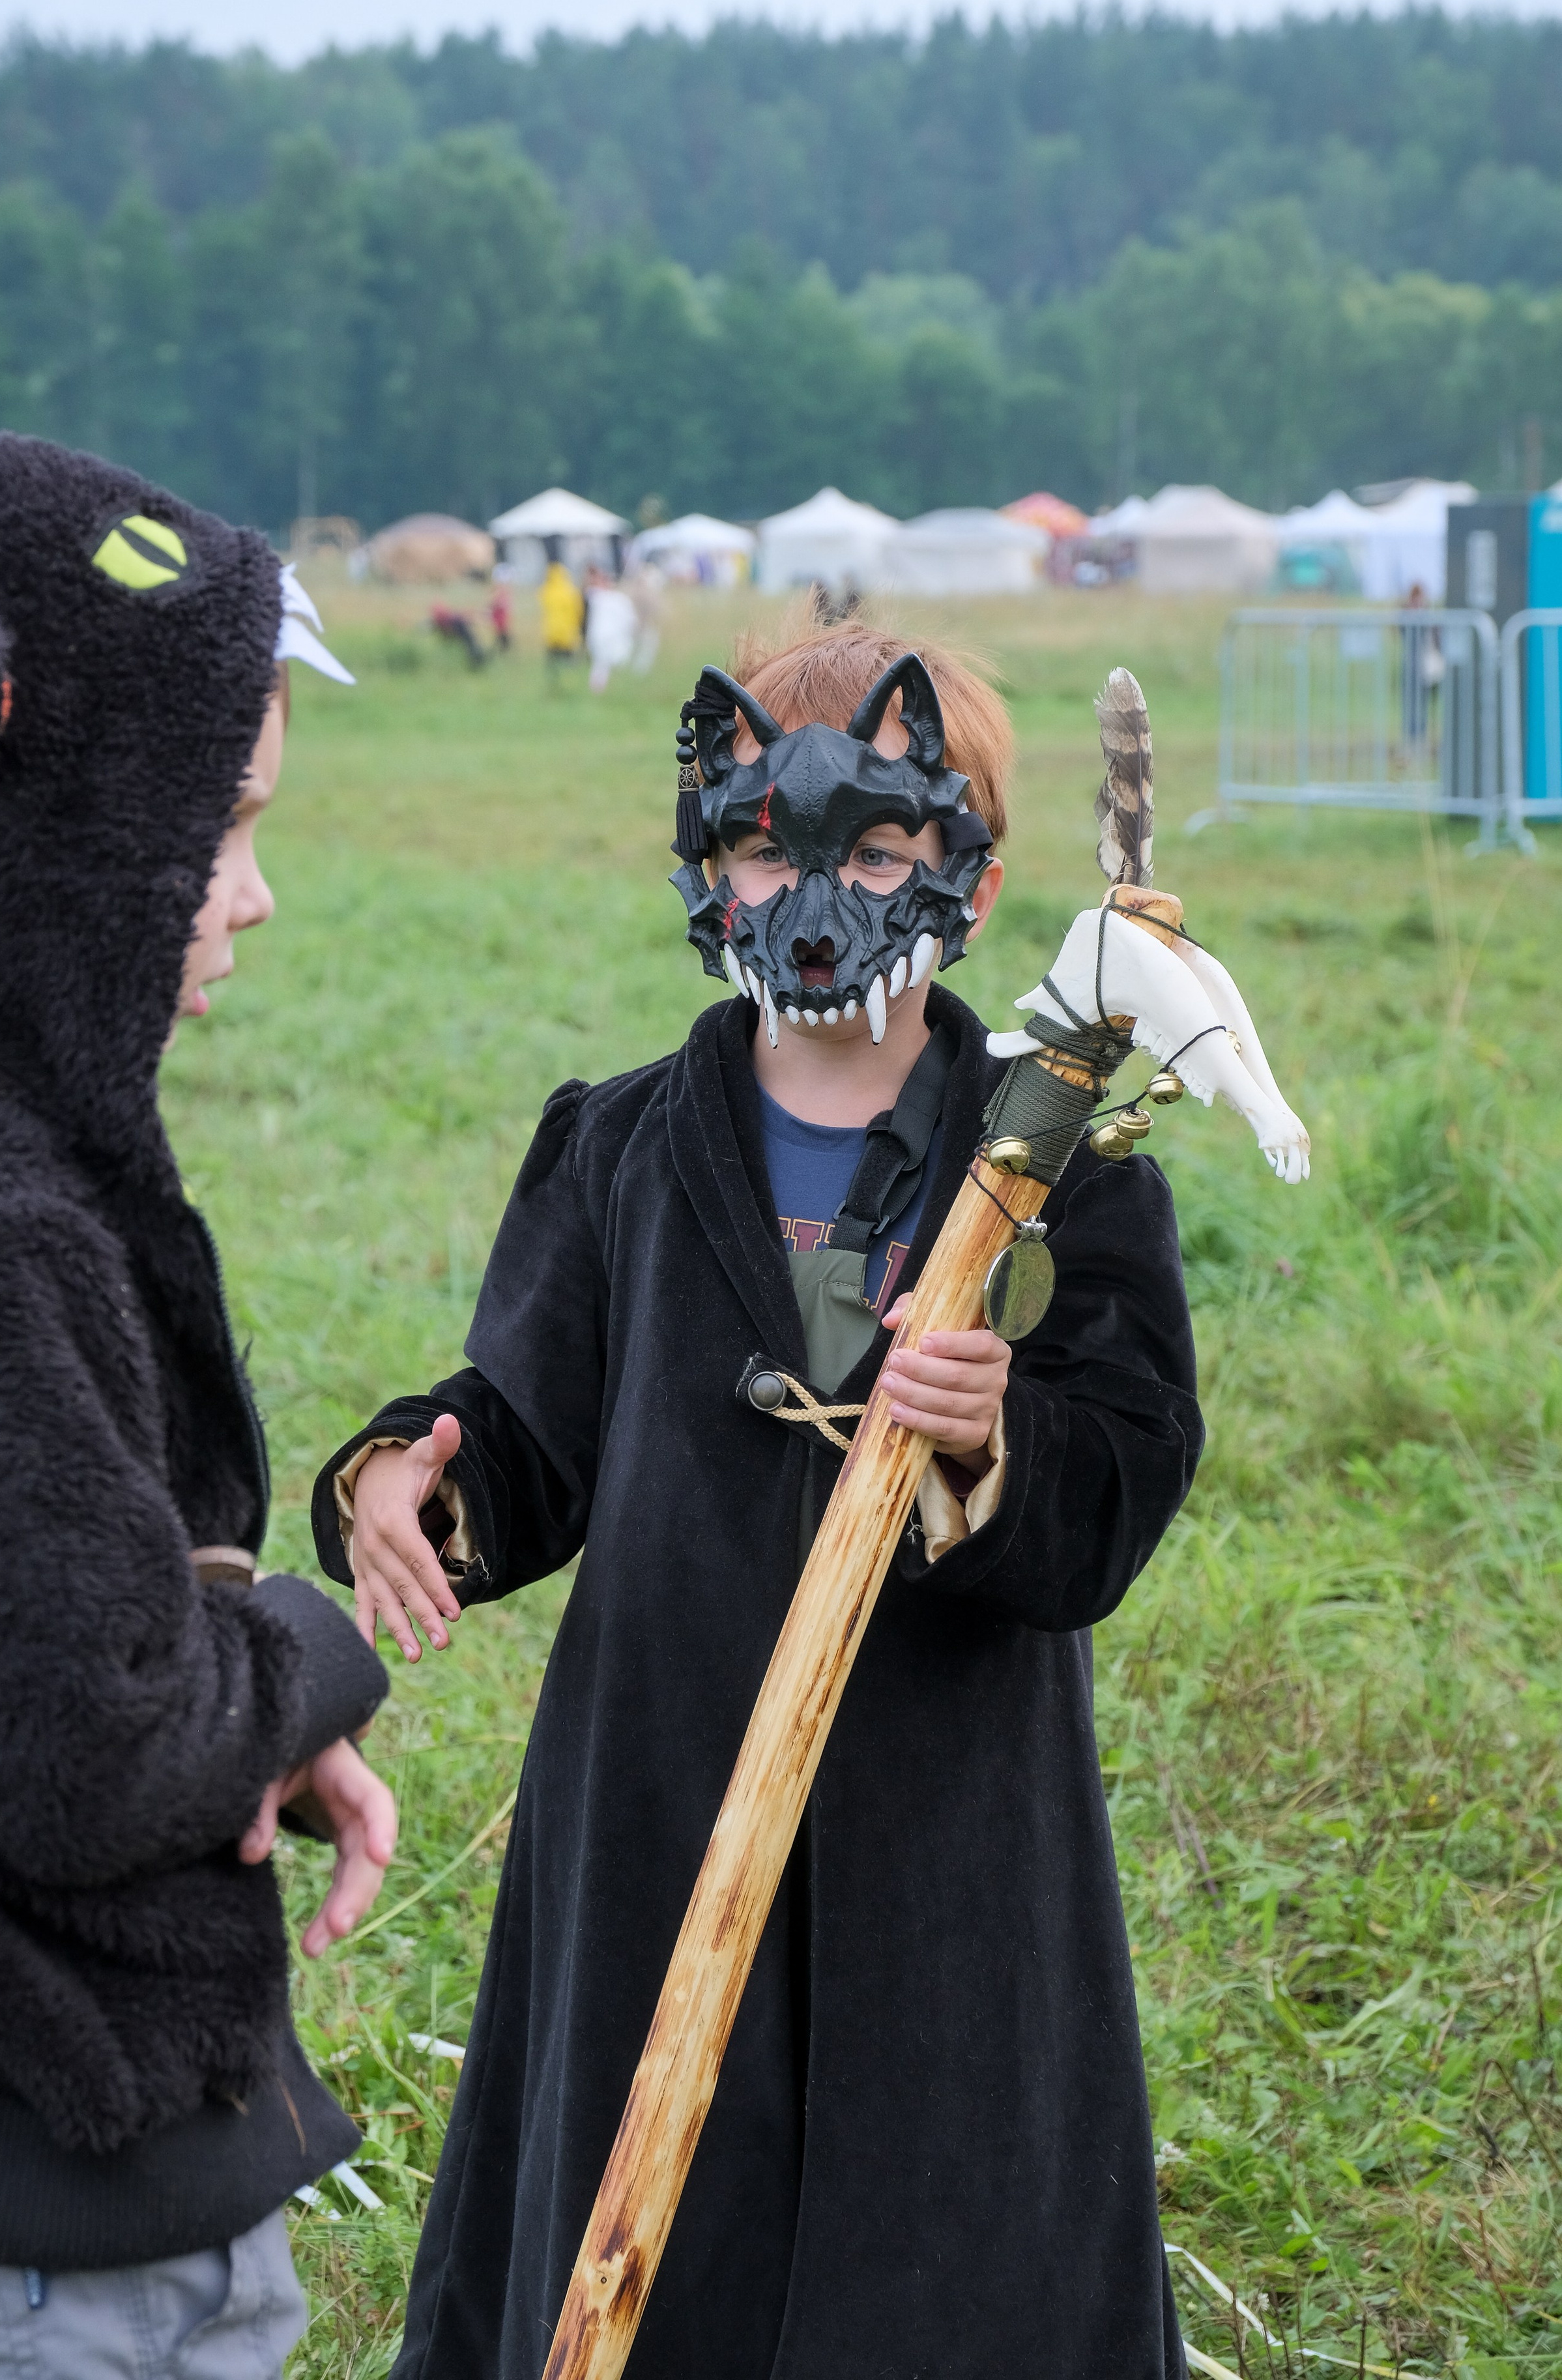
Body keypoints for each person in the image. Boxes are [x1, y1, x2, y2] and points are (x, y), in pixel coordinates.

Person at [311, 617, 1203, 2380]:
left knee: (942, 2259)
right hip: (659, 1789)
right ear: (702, 857)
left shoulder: (1059, 1169)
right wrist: (427, 1471)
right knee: (653, 2233)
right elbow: (536, 1427)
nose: (815, 888)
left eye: (873, 843)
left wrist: (991, 1448)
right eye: (759, 843)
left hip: (944, 1820)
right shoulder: (623, 1142)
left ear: (970, 862)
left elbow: (1123, 1469)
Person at [0, 368, 395, 2378]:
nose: (252, 894)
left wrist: (223, 1685)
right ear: (49, 824)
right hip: (37, 2231)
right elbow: (85, 1744)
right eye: (217, 830)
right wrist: (293, 1653)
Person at [583, 566, 639, 694]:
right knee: (602, 664)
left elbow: (628, 619)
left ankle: (606, 689)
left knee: (607, 663)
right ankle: (601, 689)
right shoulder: (598, 597)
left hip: (610, 637)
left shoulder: (617, 599)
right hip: (603, 637)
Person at [540, 553, 584, 686]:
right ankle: (570, 683)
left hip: (552, 633)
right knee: (568, 661)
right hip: (567, 633)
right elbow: (579, 611)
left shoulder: (549, 591)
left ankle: (555, 683)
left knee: (553, 663)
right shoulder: (571, 591)